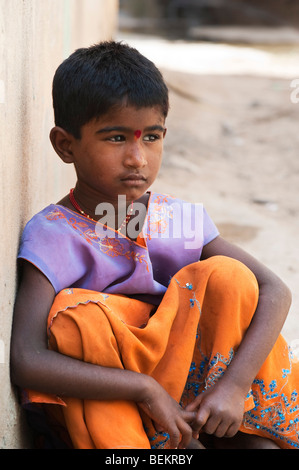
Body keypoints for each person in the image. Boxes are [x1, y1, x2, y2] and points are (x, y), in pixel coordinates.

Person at [10, 41, 299, 450]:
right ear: (65, 145)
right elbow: (27, 358)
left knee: (228, 277)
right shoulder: (54, 234)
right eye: (115, 138)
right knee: (78, 322)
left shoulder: (175, 219)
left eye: (151, 137)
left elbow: (276, 291)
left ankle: (232, 431)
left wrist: (233, 388)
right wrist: (143, 389)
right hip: (119, 405)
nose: (137, 158)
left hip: (196, 399)